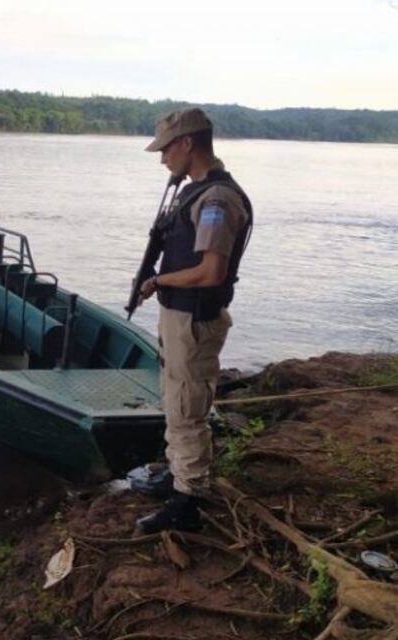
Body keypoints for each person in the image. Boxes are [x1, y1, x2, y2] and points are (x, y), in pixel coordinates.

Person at [134, 108, 253, 534]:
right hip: (179, 315)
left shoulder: (216, 199)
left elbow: (211, 272)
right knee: (175, 397)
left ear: (188, 143)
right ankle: (178, 472)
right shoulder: (196, 191)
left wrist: (157, 279)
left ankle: (187, 502)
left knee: (186, 407)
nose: (162, 158)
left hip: (194, 319)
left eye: (166, 148)